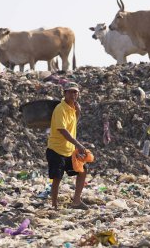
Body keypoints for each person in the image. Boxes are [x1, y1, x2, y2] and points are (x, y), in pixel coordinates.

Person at [46, 81, 88, 210]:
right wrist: (79, 145)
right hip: (56, 150)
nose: (73, 94)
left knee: (82, 170)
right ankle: (54, 205)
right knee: (57, 178)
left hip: (69, 151)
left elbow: (72, 125)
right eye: (70, 92)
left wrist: (78, 113)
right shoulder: (60, 108)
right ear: (65, 93)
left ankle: (76, 201)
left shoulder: (73, 108)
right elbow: (63, 131)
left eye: (75, 92)